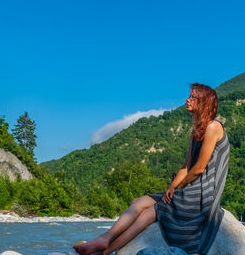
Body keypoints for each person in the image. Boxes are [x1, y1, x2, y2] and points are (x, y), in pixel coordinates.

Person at [73, 83, 230, 255]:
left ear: (204, 102)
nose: (187, 99)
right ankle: (104, 239)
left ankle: (104, 251)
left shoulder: (213, 126)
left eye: (193, 97)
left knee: (150, 213)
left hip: (202, 193)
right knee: (137, 202)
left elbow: (199, 168)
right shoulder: (195, 132)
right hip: (190, 188)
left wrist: (177, 188)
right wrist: (171, 188)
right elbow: (186, 167)